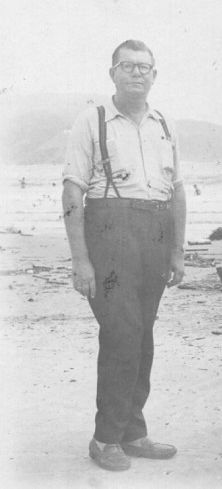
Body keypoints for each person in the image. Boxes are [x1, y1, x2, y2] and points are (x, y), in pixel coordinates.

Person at [62, 40, 187, 472]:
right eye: (128, 66)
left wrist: (176, 250)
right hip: (110, 233)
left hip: (154, 234)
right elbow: (73, 190)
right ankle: (105, 438)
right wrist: (81, 261)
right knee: (122, 333)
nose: (137, 73)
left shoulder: (163, 124)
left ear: (155, 75)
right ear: (111, 72)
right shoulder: (92, 120)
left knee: (142, 335)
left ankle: (133, 432)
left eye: (145, 67)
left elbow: (177, 191)